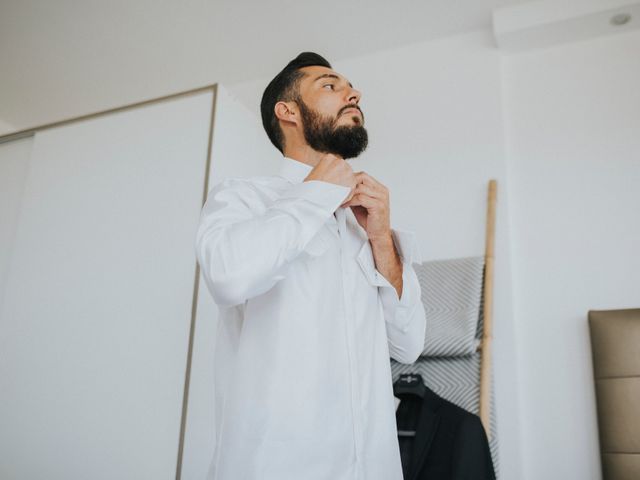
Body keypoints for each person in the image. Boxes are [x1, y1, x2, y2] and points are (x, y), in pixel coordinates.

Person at [195, 52, 427, 480]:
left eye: (351, 87)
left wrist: (381, 238)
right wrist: (316, 194)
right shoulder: (242, 198)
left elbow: (408, 344)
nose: (353, 93)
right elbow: (228, 277)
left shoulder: (367, 224)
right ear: (288, 112)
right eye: (330, 85)